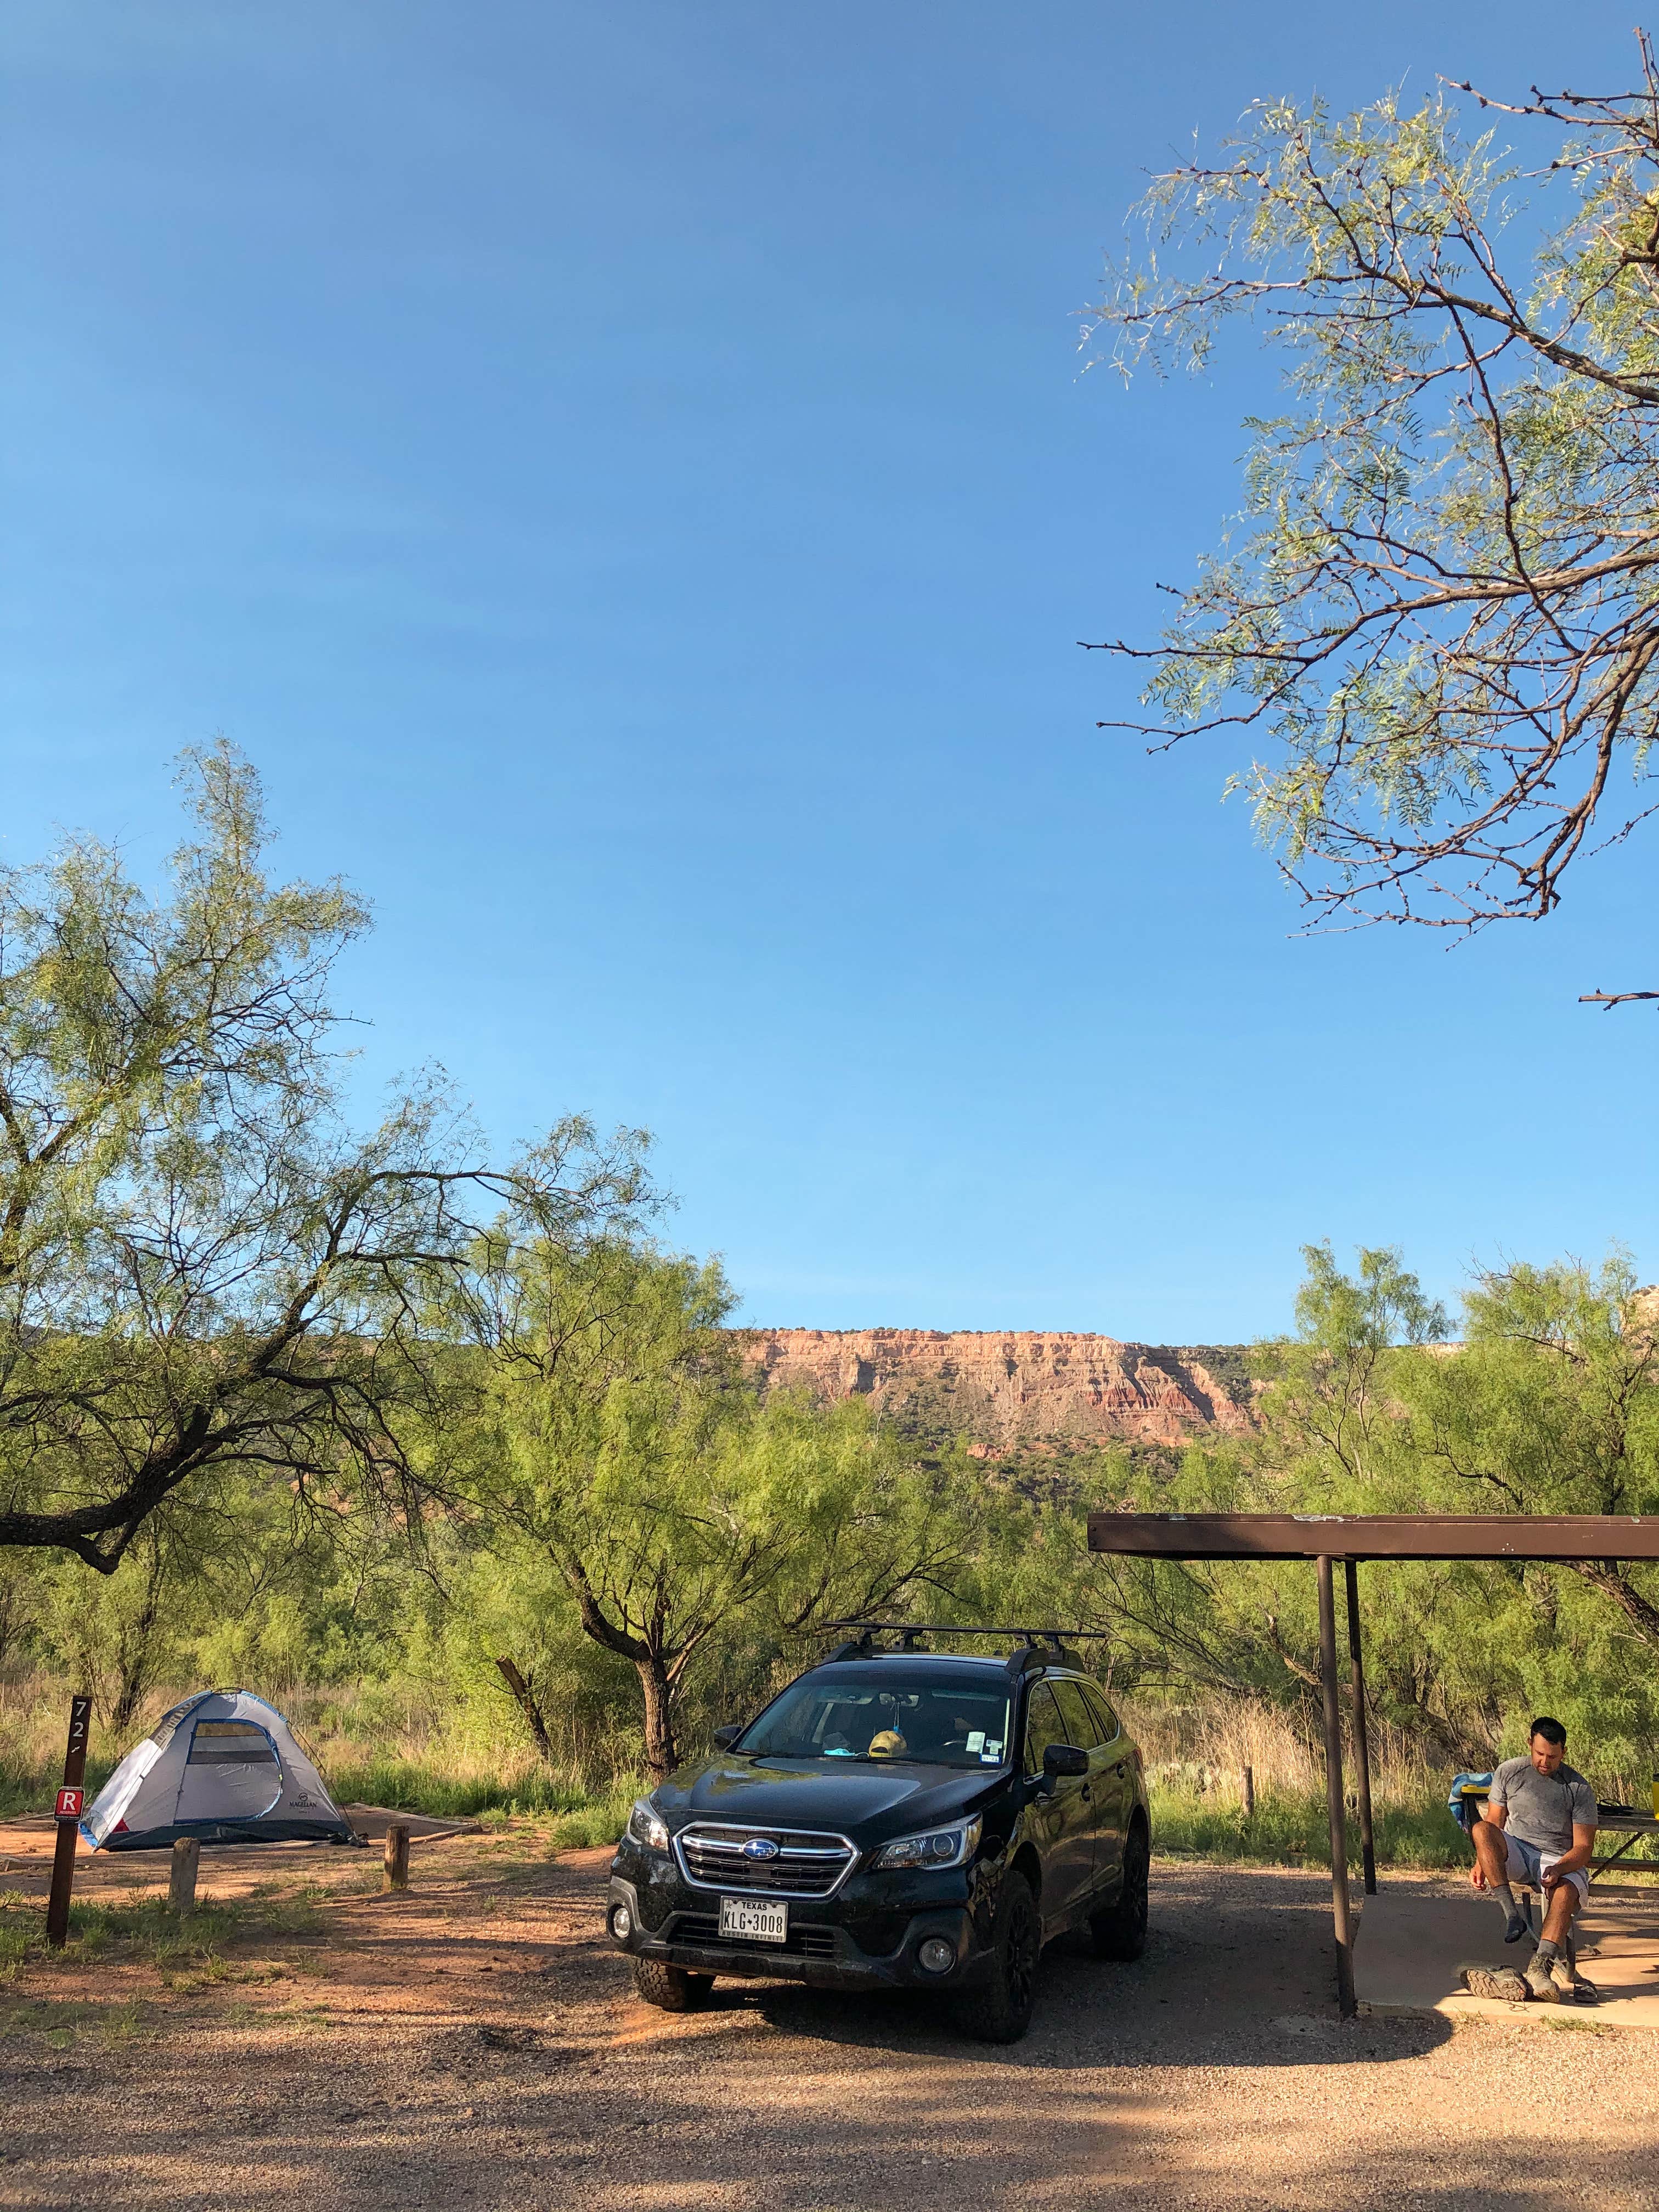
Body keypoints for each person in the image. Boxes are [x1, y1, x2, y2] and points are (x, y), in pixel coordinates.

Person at [1470, 1717, 1599, 2003]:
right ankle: (1511, 1915)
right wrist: (1482, 1860)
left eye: (1552, 1756)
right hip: (1517, 1848)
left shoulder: (1578, 1788)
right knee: (1480, 1829)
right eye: (1540, 1754)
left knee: (1566, 1889)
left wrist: (1560, 1867)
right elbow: (1494, 1823)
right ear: (1530, 1744)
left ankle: (1541, 1965)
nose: (1544, 1761)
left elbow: (1583, 1848)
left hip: (1557, 1856)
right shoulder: (1509, 1771)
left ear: (1563, 1753)